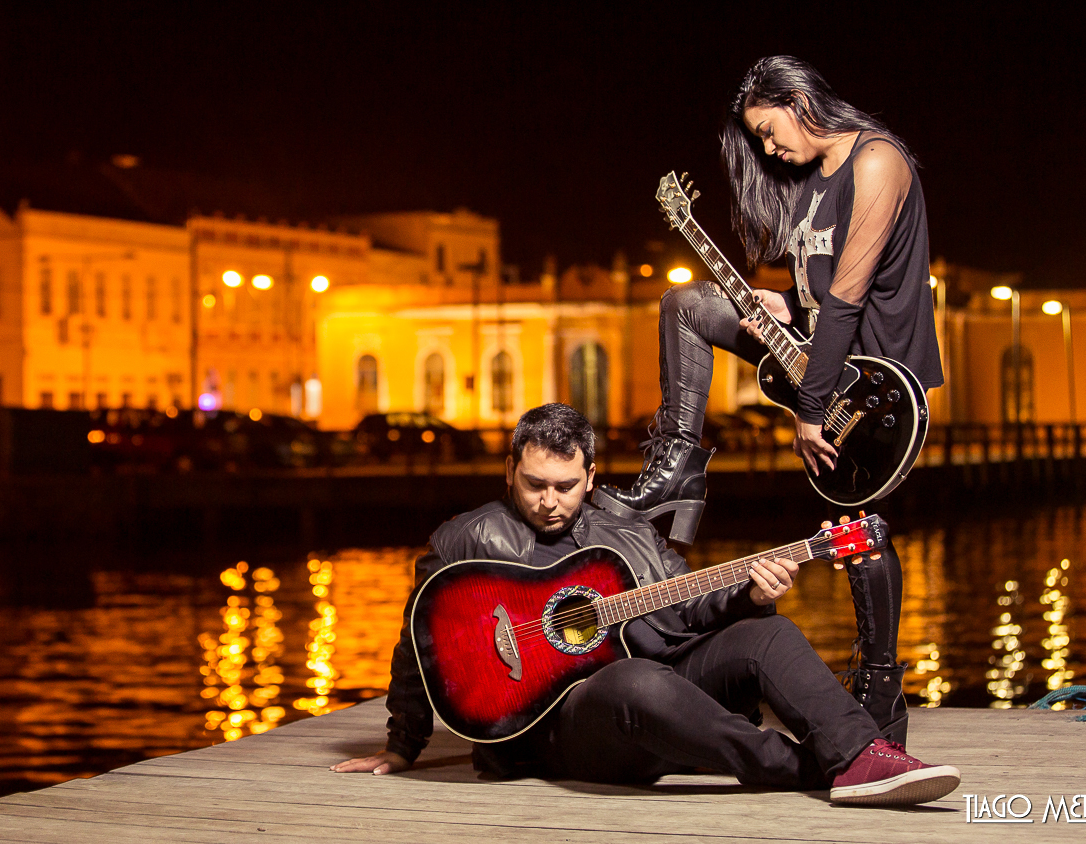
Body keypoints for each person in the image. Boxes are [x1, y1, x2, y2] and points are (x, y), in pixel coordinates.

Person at [332, 403, 959, 806]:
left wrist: (746, 595)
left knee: (765, 636)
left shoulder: (626, 536)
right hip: (547, 731)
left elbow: (686, 617)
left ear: (592, 476)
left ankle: (862, 757)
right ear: (509, 471)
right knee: (633, 679)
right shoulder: (467, 539)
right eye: (534, 485)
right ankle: (808, 767)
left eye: (566, 486)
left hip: (654, 700)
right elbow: (421, 643)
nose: (549, 501)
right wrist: (402, 745)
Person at [594, 57, 944, 745]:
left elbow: (848, 301)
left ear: (799, 99)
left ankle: (880, 696)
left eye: (767, 129)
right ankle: (678, 470)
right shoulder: (810, 183)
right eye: (757, 139)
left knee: (857, 521)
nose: (767, 148)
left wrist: (810, 409)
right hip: (820, 350)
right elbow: (820, 294)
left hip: (871, 380)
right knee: (689, 305)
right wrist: (778, 306)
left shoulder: (878, 162)